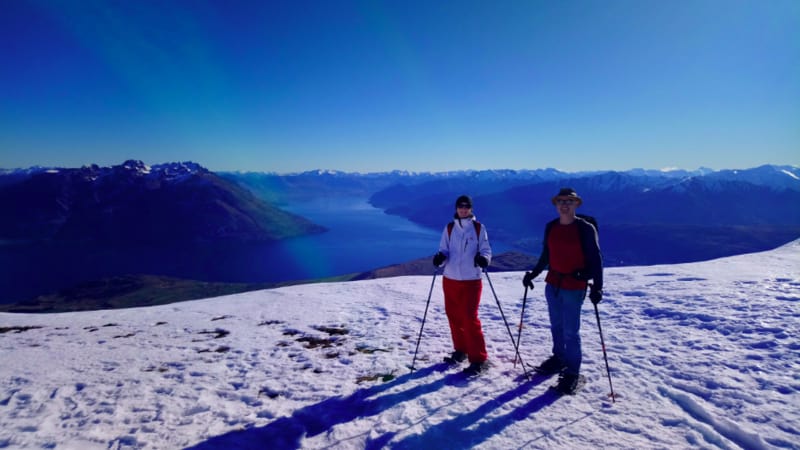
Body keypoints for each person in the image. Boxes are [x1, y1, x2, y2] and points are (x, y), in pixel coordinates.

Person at [522, 187, 603, 394]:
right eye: (561, 201)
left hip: (574, 287)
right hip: (553, 284)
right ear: (556, 205)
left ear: (576, 204)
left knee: (571, 331)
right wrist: (533, 274)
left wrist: (598, 287)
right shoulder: (551, 227)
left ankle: (572, 372)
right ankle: (559, 358)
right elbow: (546, 255)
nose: (565, 204)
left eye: (569, 201)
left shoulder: (585, 228)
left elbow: (596, 259)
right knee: (556, 326)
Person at [432, 195, 492, 376]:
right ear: (456, 208)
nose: (463, 209)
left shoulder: (478, 228)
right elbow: (444, 249)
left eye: (467, 206)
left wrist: (484, 259)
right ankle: (461, 350)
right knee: (454, 316)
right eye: (460, 206)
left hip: (471, 279)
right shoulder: (449, 228)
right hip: (450, 278)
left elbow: (486, 249)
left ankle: (479, 359)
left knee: (469, 317)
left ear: (471, 209)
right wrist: (440, 258)